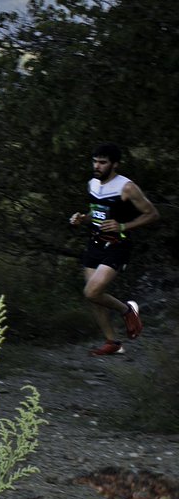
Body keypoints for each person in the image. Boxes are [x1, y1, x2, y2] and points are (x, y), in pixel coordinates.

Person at [68, 143, 159, 356]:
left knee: (91, 291)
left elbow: (152, 214)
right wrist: (82, 218)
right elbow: (97, 214)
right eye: (95, 161)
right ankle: (112, 342)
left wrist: (123, 226)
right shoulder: (92, 184)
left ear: (115, 164)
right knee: (93, 296)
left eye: (103, 162)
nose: (97, 166)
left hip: (118, 245)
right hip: (95, 243)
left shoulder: (127, 187)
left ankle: (127, 310)